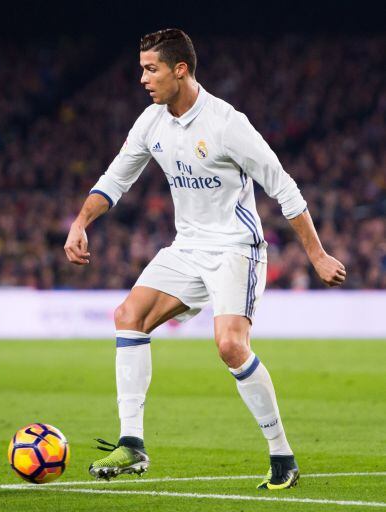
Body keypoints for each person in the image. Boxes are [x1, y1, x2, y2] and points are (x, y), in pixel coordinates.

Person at [64, 29, 346, 490]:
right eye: (141, 69)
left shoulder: (227, 124)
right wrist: (80, 223)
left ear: (181, 70)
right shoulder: (151, 121)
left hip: (236, 246)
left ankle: (281, 456)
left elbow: (282, 185)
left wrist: (315, 255)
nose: (142, 79)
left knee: (231, 347)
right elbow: (115, 179)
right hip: (188, 247)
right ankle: (132, 443)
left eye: (150, 69)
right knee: (127, 316)